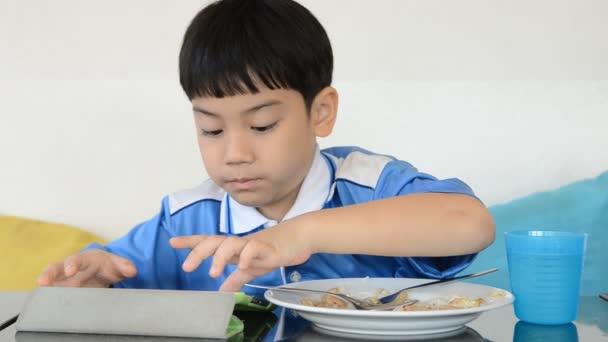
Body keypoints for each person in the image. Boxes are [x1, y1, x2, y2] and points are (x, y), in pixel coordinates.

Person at [37, 0, 495, 293]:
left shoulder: (369, 184)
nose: (235, 153)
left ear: (321, 113)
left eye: (261, 125)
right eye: (211, 131)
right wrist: (92, 282)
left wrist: (300, 234)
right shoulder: (187, 221)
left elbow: (469, 223)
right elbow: (114, 273)